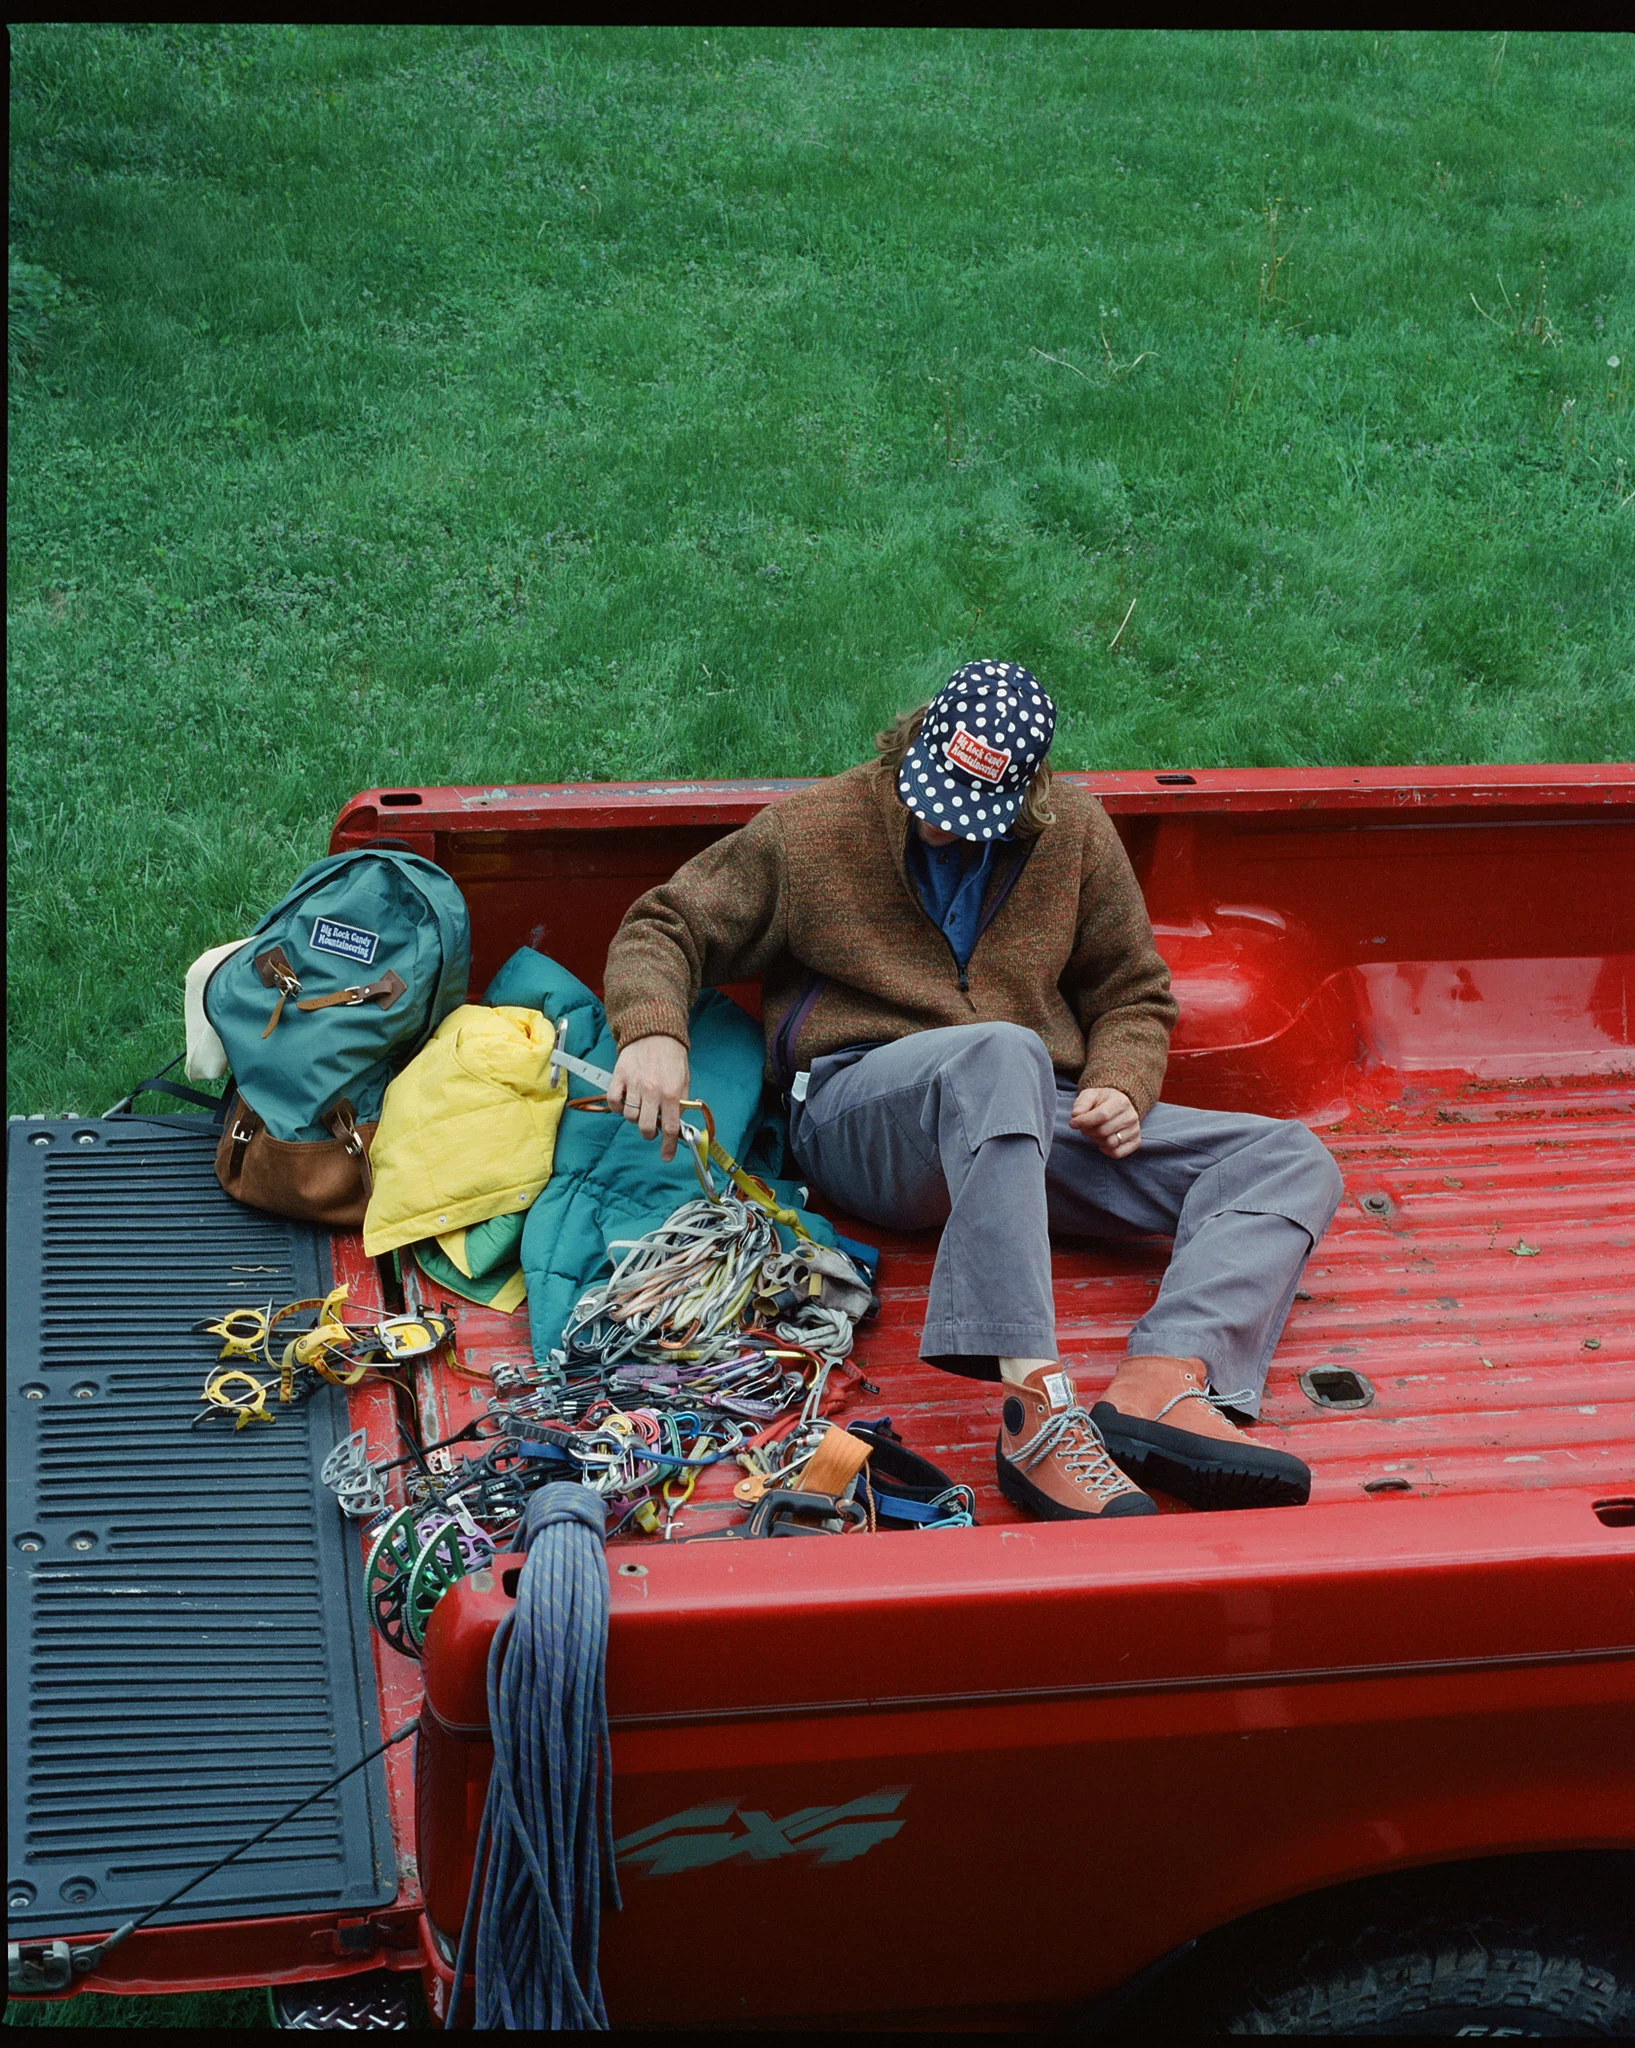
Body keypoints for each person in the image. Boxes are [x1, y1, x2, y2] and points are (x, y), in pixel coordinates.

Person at [601, 662, 1345, 1521]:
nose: (939, 825)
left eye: (969, 814)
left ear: (1027, 795)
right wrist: (653, 1029)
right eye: (929, 794)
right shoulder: (812, 831)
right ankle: (1036, 1409)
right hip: (864, 1119)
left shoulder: (1073, 836)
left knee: (1285, 1157)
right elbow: (668, 922)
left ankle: (1167, 1381)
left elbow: (1132, 992)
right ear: (912, 740)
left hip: (1015, 1116)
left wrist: (1120, 1083)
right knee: (1003, 1051)